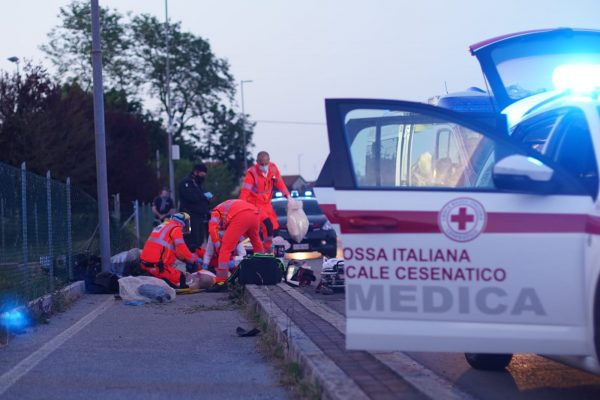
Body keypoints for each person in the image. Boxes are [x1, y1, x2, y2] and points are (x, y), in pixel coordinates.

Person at [206, 199, 264, 292]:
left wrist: (218, 246)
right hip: (255, 214)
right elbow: (240, 237)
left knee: (224, 250)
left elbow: (212, 229)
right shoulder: (227, 207)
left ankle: (221, 283)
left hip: (241, 216)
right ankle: (262, 272)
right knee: (256, 243)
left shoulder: (215, 212)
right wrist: (234, 244)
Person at [239, 151, 290, 252]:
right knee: (267, 225)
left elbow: (280, 183)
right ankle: (265, 247)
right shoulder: (252, 173)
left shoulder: (273, 168)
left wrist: (288, 196)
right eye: (261, 164)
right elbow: (245, 192)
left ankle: (269, 247)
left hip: (266, 203)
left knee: (275, 225)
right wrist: (241, 207)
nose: (264, 166)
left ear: (269, 161)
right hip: (254, 204)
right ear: (257, 162)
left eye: (266, 163)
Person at [139, 212, 199, 288]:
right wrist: (192, 259)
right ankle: (157, 277)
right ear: (181, 221)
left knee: (177, 275)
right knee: (182, 278)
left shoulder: (164, 225)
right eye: (186, 222)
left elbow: (177, 252)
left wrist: (185, 259)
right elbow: (182, 247)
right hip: (157, 267)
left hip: (146, 264)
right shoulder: (176, 228)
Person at [179, 163, 213, 252]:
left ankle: (194, 260)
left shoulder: (197, 184)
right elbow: (192, 197)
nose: (203, 177)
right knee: (191, 241)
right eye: (202, 174)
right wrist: (204, 197)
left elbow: (199, 197)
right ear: (196, 172)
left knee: (199, 240)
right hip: (188, 217)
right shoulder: (186, 183)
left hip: (198, 217)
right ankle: (190, 262)